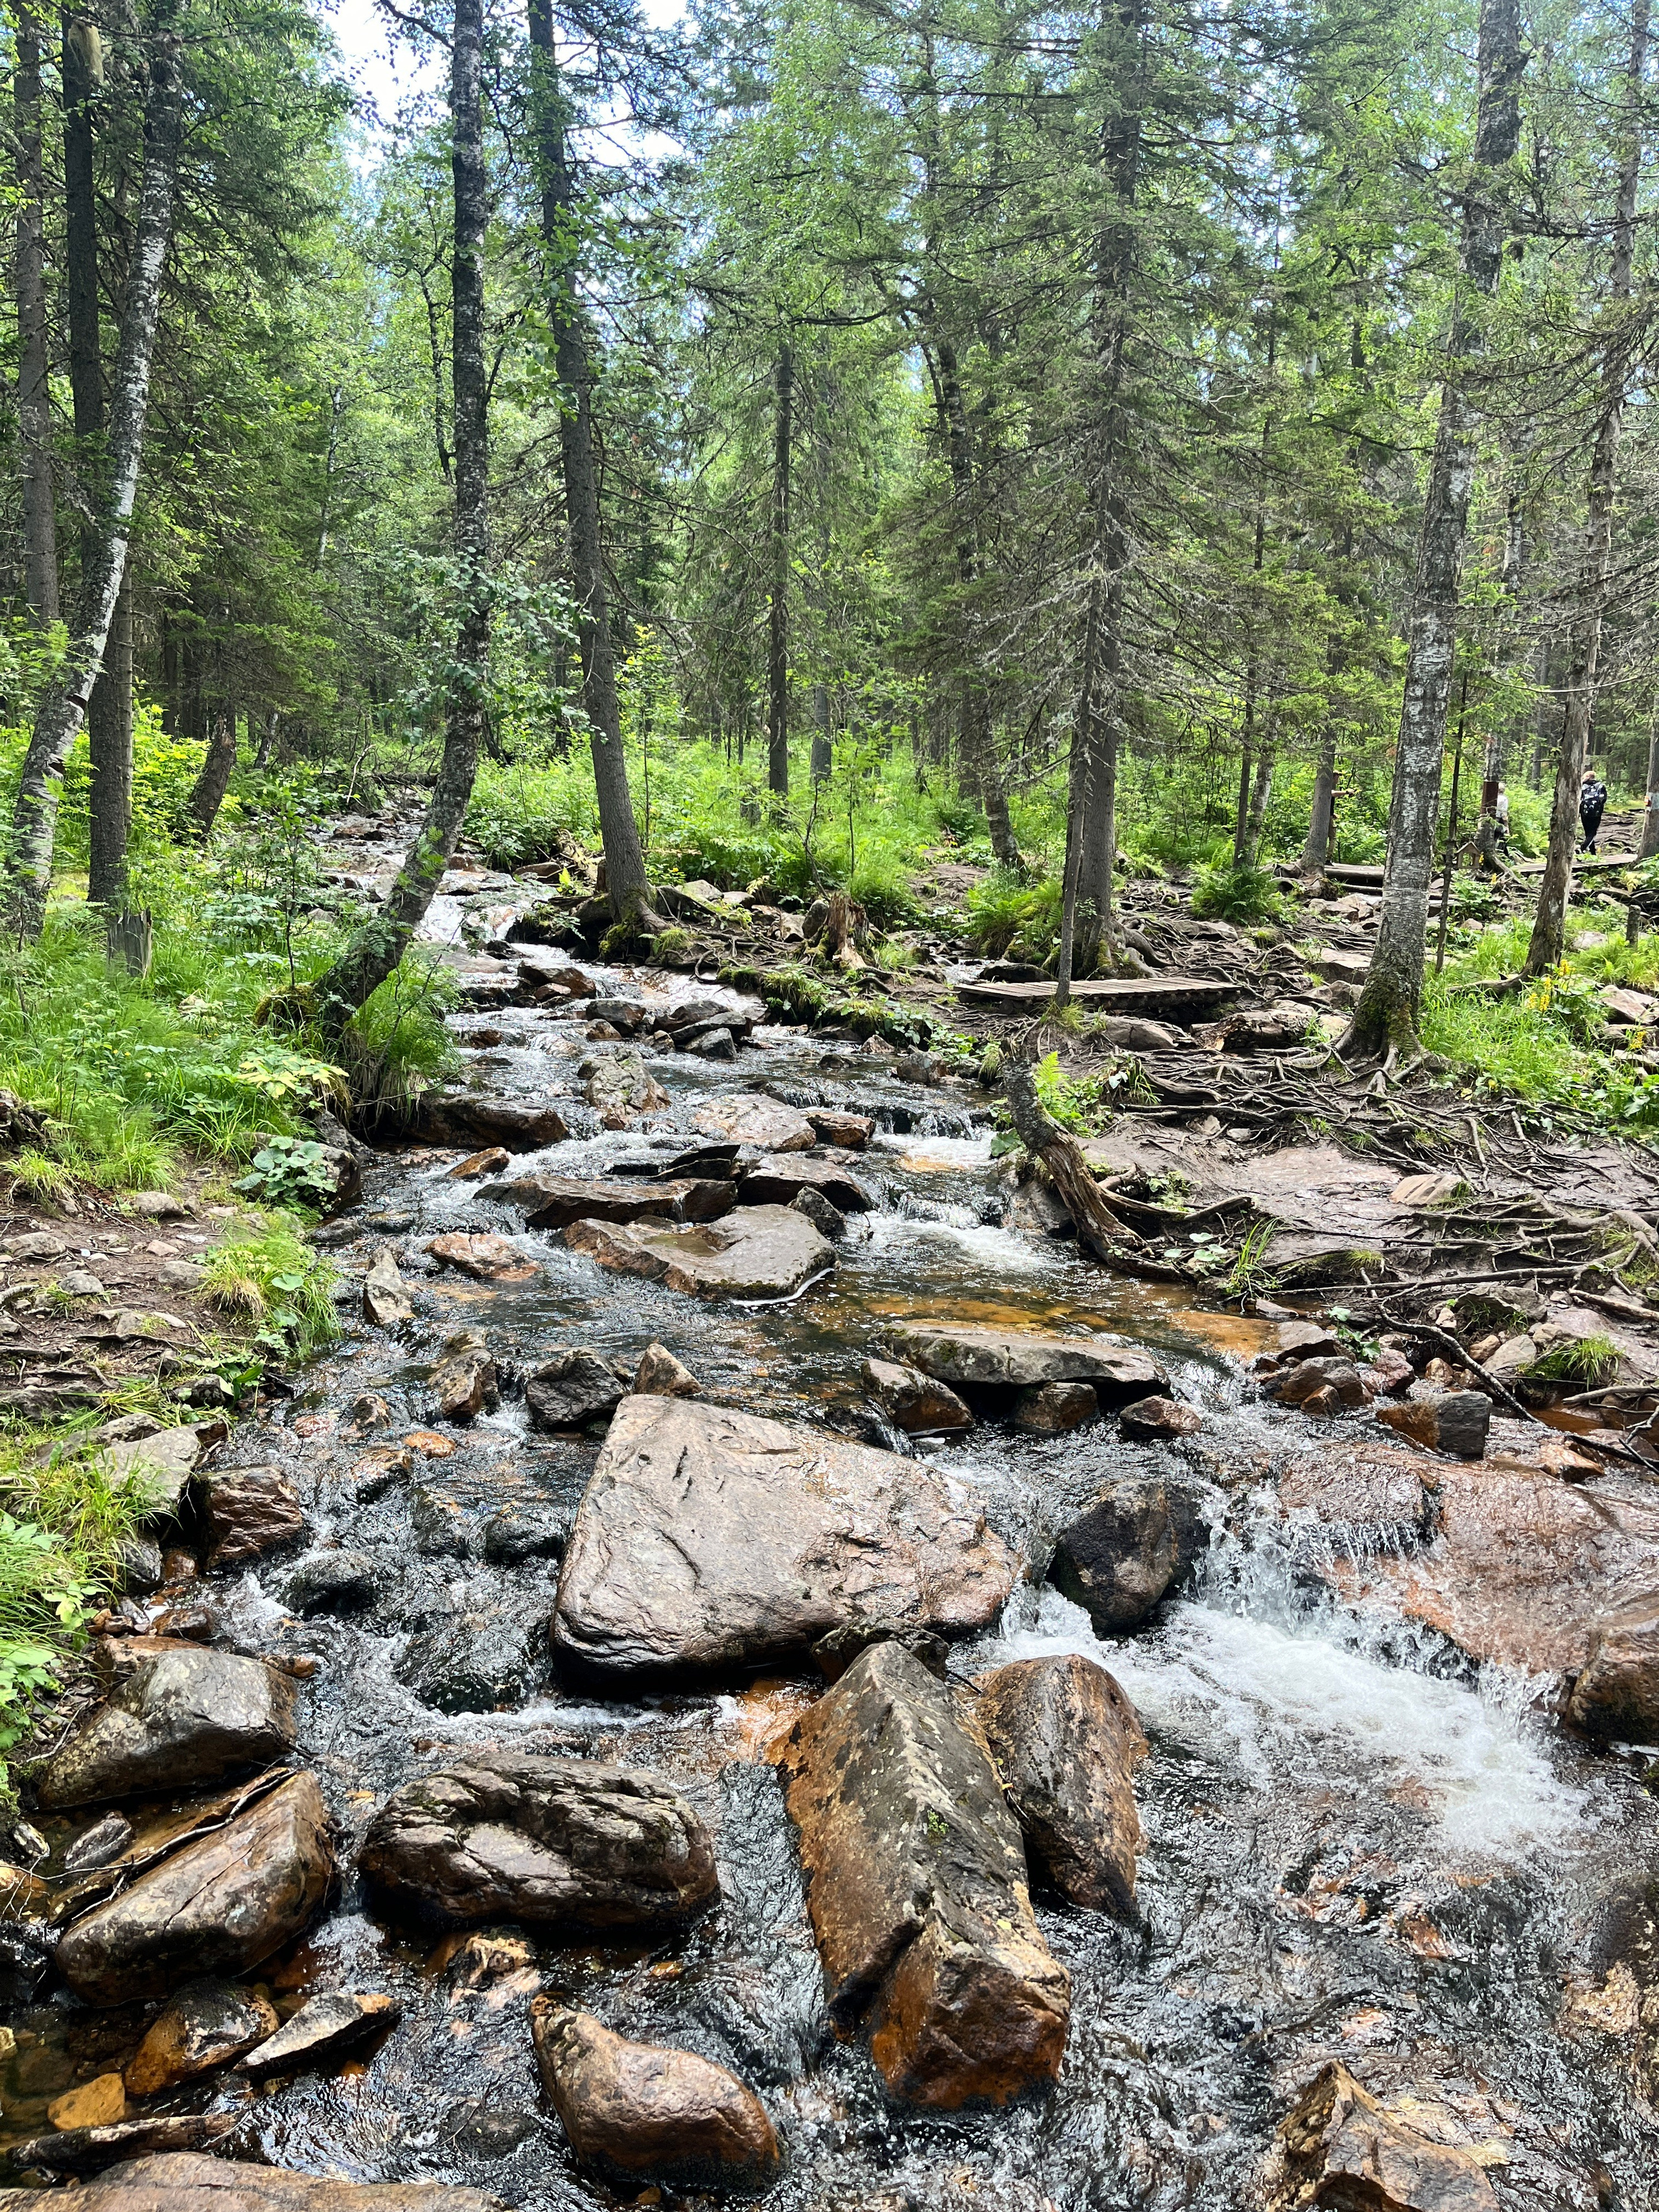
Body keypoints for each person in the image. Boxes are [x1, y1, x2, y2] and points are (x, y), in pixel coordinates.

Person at [1581, 767, 1608, 853]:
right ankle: (1585, 848)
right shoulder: (1601, 786)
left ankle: (1589, 850)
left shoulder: (1583, 787)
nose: (1583, 778)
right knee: (1593, 832)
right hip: (1596, 813)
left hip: (1584, 812)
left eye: (1584, 777)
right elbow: (1603, 799)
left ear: (1589, 777)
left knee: (1588, 831)